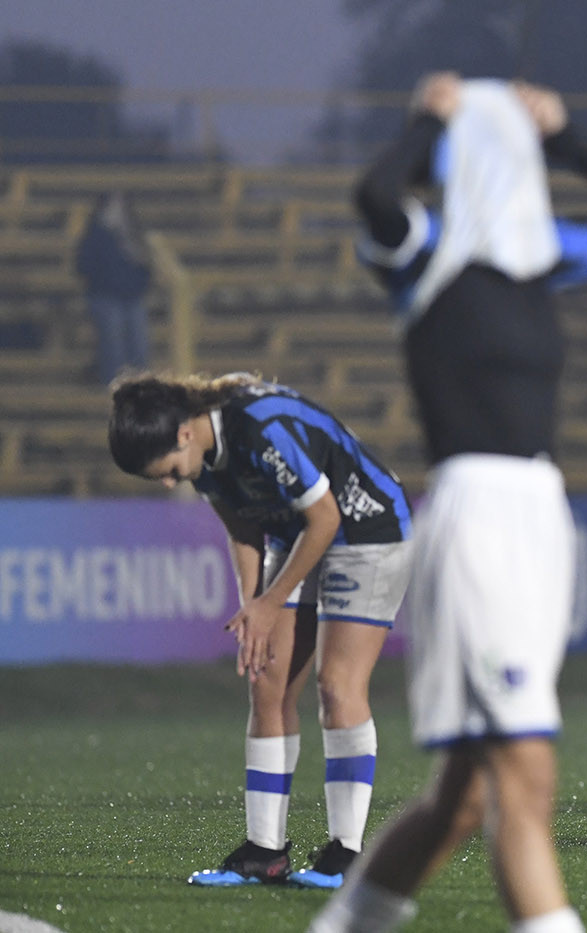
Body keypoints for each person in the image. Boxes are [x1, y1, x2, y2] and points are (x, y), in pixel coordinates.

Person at [313, 74, 587, 933]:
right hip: (474, 513)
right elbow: (372, 193)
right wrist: (425, 121)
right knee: (524, 777)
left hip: (539, 516)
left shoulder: (538, 254)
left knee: (456, 801)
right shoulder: (425, 246)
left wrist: (565, 138)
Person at [107, 372, 413, 887]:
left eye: (166, 471)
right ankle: (264, 852)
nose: (168, 481)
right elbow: (243, 526)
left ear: (184, 433)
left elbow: (325, 517)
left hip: (366, 530)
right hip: (297, 535)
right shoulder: (204, 456)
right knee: (266, 683)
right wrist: (254, 608)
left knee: (337, 687)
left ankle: (346, 853)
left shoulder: (258, 429)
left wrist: (271, 601)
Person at [77, 191, 152, 385]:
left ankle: (141, 388)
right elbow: (84, 266)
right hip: (106, 298)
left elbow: (145, 267)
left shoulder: (132, 236)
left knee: (139, 348)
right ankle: (114, 387)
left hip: (131, 298)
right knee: (113, 348)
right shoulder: (95, 235)